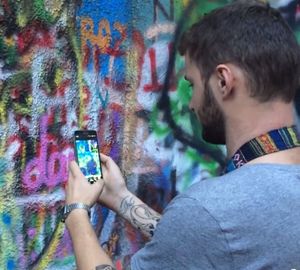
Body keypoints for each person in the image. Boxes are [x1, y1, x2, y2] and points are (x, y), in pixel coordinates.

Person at [63, 1, 300, 269]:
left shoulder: (211, 211)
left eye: (193, 84)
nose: (191, 104)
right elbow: (208, 247)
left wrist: (76, 212)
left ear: (223, 81)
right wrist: (121, 199)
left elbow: (209, 230)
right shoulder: (235, 213)